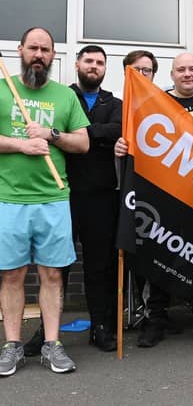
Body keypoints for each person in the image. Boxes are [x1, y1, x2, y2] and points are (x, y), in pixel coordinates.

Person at [115, 52, 193, 348]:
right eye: (181, 69)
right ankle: (156, 320)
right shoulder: (156, 102)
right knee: (158, 252)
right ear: (171, 75)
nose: (187, 74)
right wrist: (123, 146)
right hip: (163, 193)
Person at [0, 27, 89, 376]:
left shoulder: (65, 97)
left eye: (45, 49)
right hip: (9, 198)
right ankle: (12, 345)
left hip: (54, 198)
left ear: (54, 56)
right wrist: (22, 144)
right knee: (11, 275)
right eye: (33, 48)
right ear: (21, 50)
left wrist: (51, 135)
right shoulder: (4, 89)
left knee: (52, 274)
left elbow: (82, 143)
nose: (39, 54)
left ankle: (53, 344)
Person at [23, 45, 122, 356]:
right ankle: (46, 332)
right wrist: (76, 135)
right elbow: (93, 136)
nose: (94, 66)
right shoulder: (61, 98)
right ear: (77, 63)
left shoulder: (115, 103)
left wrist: (76, 134)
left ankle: (100, 327)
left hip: (102, 196)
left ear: (106, 68)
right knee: (55, 268)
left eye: (100, 63)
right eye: (89, 61)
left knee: (99, 265)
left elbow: (116, 129)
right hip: (62, 193)